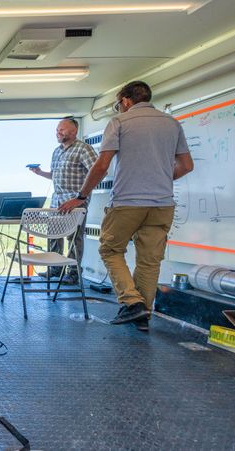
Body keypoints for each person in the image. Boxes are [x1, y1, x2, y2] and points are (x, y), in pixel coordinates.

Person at [59, 81, 194, 331]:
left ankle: (132, 302)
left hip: (127, 202)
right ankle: (142, 315)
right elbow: (186, 165)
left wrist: (81, 196)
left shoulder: (120, 123)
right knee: (150, 260)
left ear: (125, 101)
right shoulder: (172, 124)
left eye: (118, 104)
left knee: (110, 250)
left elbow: (101, 165)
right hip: (162, 204)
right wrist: (162, 179)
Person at [29, 116, 98, 283]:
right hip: (56, 202)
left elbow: (96, 172)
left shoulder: (84, 149)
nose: (58, 133)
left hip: (75, 202)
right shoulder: (57, 151)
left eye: (62, 129)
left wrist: (81, 197)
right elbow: (55, 175)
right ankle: (55, 270)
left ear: (74, 131)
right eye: (57, 130)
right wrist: (40, 173)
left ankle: (73, 274)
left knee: (73, 238)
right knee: (53, 235)